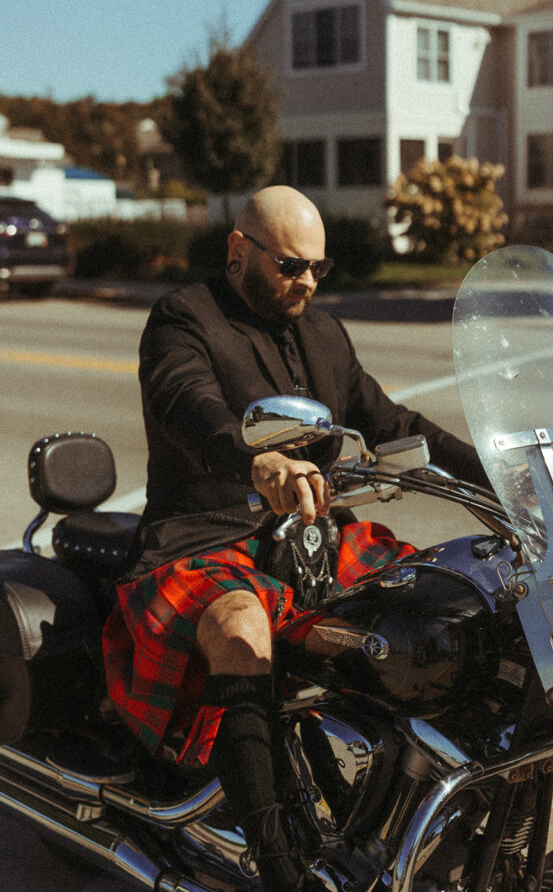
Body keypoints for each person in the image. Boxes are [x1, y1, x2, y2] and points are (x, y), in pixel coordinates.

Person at [103, 185, 490, 892]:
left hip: (310, 537)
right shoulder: (182, 319)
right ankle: (280, 865)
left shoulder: (323, 334)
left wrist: (500, 477)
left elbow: (393, 423)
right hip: (204, 541)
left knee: (451, 598)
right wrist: (255, 460)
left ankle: (448, 814)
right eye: (289, 266)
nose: (306, 281)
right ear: (238, 250)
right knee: (242, 626)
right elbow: (187, 404)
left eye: (318, 267)